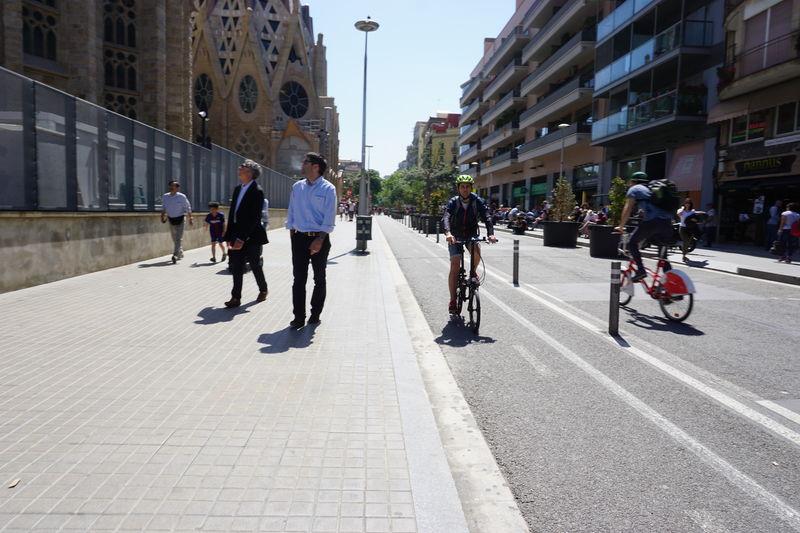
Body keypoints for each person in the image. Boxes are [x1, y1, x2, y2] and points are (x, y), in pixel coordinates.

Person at [286, 152, 337, 329]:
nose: (302, 164)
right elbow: (292, 212)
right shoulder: (297, 187)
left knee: (319, 278)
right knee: (298, 279)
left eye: (305, 162)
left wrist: (320, 239)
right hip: (299, 238)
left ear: (315, 167)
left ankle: (315, 314)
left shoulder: (328, 189)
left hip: (319, 238)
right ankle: (298, 317)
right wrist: (293, 234)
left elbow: (329, 218)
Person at [442, 175, 497, 314]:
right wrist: (448, 233)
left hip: (471, 234)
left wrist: (491, 234)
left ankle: (473, 272)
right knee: (455, 265)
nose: (465, 189)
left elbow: (487, 217)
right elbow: (446, 217)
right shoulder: (453, 202)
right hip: (455, 235)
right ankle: (453, 300)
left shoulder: (477, 201)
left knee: (476, 250)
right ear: (458, 188)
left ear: (471, 188)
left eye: (467, 187)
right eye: (462, 187)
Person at [222, 159, 269, 308]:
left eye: (242, 166)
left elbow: (254, 217)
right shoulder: (238, 189)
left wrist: (242, 238)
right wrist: (229, 235)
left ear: (250, 172)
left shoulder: (257, 191)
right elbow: (233, 214)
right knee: (236, 265)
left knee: (255, 264)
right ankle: (235, 297)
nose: (239, 168)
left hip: (252, 235)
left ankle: (263, 289)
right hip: (236, 233)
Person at [613, 171, 674, 282]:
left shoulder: (634, 189)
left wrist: (621, 226)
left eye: (630, 181)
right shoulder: (652, 189)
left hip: (652, 222)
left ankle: (641, 270)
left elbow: (628, 208)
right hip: (667, 223)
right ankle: (671, 283)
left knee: (632, 243)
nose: (629, 183)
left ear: (634, 181)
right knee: (662, 254)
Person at [160, 180, 193, 264]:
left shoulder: (182, 197)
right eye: (170, 185)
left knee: (178, 238)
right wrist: (162, 217)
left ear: (177, 188)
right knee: (174, 238)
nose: (171, 187)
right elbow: (164, 207)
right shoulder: (165, 196)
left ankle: (175, 255)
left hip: (180, 219)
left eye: (173, 186)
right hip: (171, 219)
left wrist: (190, 218)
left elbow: (187, 207)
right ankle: (180, 251)